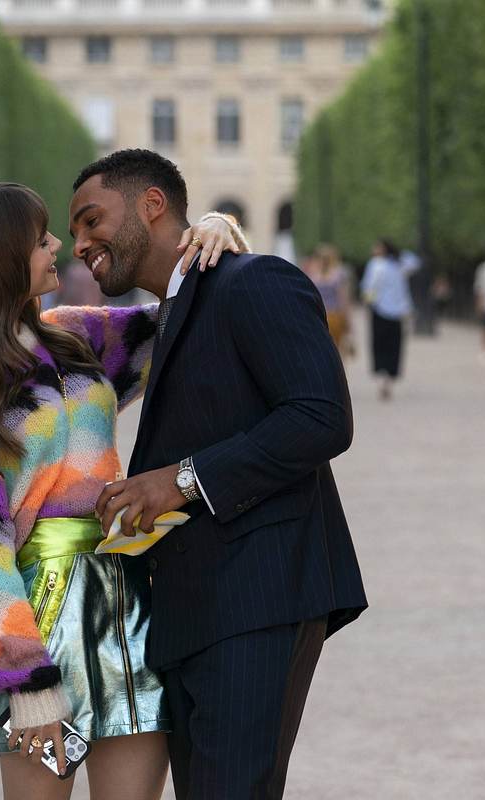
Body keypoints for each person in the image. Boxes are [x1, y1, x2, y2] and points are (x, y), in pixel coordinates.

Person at [0, 182, 244, 800]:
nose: (58, 244)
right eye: (39, 239)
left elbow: (187, 320)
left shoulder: (72, 337)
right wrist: (25, 679)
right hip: (36, 615)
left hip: (126, 602)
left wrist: (216, 230)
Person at [70, 149, 367, 799]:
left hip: (259, 594)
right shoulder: (163, 316)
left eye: (91, 220)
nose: (80, 243)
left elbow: (321, 418)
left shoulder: (254, 281)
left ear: (152, 205)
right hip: (193, 609)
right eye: (70, 234)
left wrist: (176, 480)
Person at [361, 240, 421, 401]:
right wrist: (398, 253)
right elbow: (415, 261)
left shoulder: (376, 264)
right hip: (397, 312)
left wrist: (367, 303)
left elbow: (369, 287)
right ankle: (389, 378)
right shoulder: (399, 265)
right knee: (394, 346)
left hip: (380, 310)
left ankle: (382, 377)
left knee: (379, 345)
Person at [302, 244, 354, 358]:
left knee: (319, 352)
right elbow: (343, 300)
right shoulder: (338, 276)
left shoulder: (312, 276)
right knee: (338, 353)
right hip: (334, 316)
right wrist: (348, 321)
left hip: (316, 317)